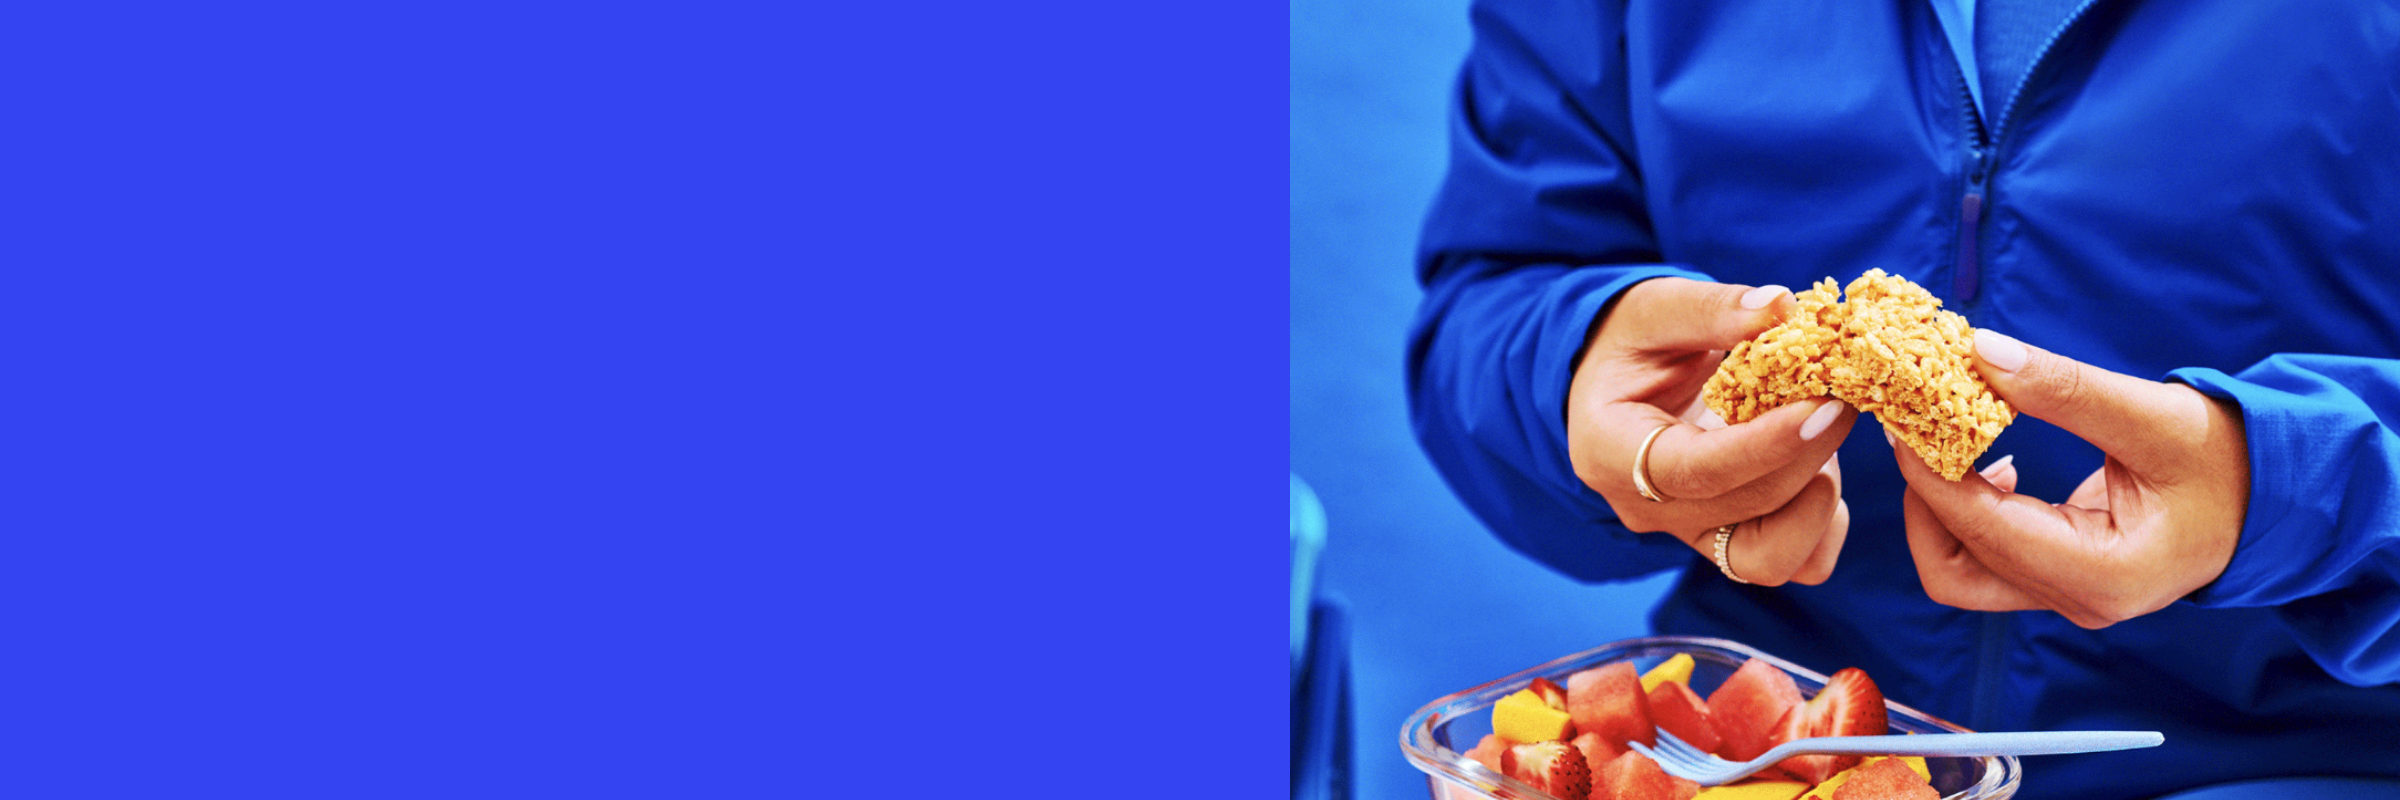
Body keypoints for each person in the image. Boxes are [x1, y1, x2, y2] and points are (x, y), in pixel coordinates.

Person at [1405, 2, 2400, 799]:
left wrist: (2295, 491)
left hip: (2292, 756)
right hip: (1780, 750)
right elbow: (1491, 296)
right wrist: (1571, 370)